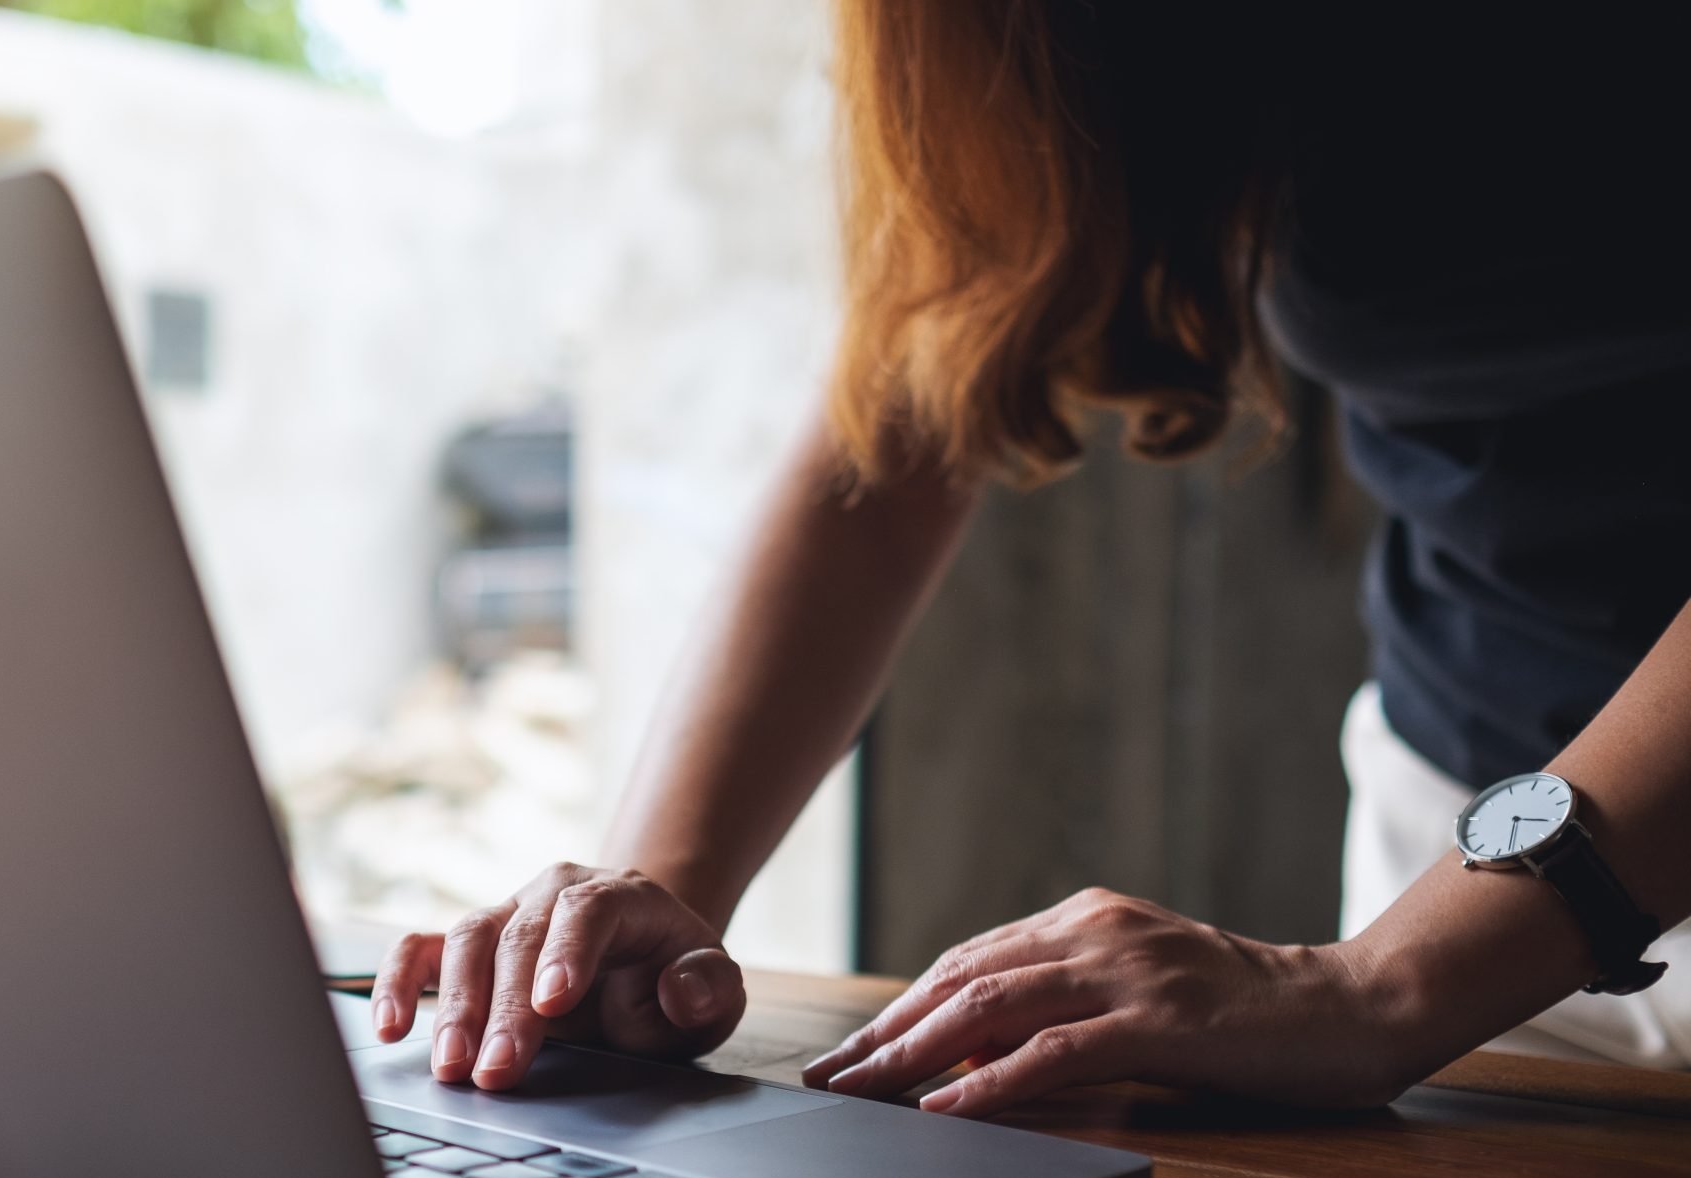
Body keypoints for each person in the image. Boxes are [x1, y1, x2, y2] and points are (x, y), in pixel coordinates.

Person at [374, 5, 1691, 1116]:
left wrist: (1382, 986)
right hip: (1467, 827)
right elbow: (900, 424)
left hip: (1470, 928)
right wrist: (649, 902)